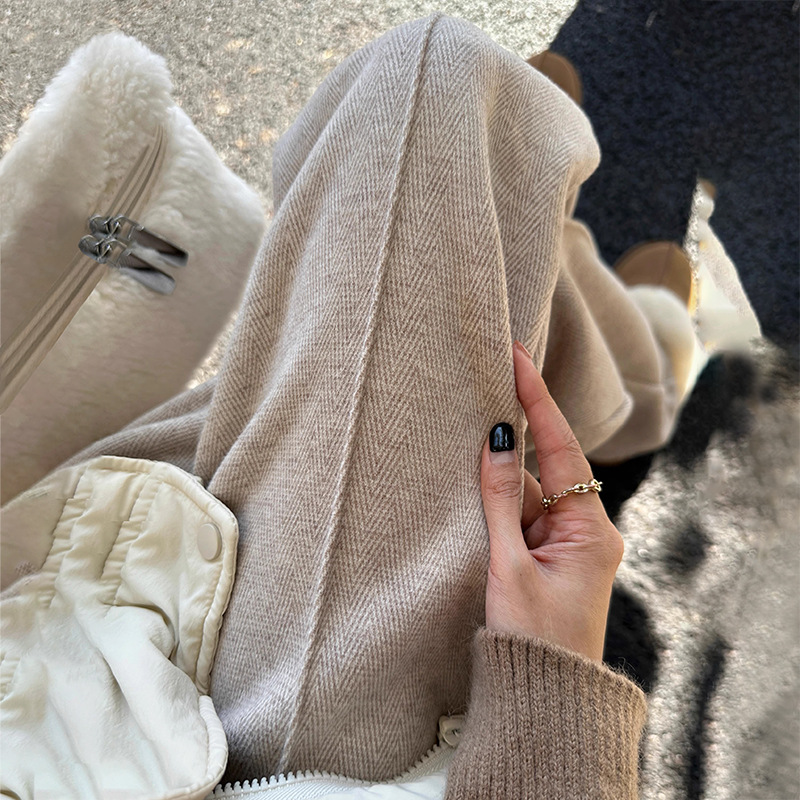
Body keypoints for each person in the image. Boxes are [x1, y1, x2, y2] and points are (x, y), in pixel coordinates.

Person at [3, 13, 709, 799]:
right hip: (262, 752)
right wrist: (553, 709)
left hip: (50, 673)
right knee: (430, 96)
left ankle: (554, 266)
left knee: (435, 188)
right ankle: (601, 335)